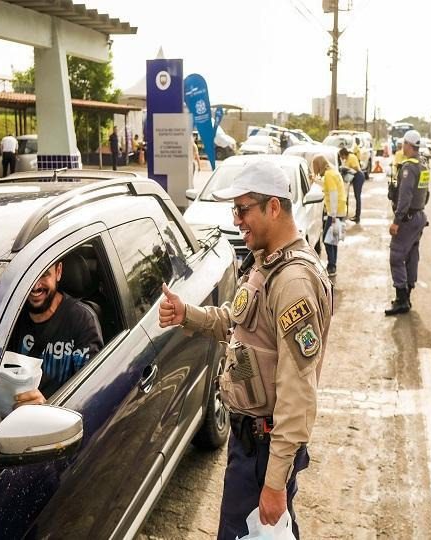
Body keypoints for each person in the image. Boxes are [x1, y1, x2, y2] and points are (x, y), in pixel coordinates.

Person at [157, 159, 333, 540]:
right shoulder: (266, 265)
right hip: (251, 446)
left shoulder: (294, 282)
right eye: (233, 210)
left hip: (264, 451)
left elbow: (299, 394)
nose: (236, 220)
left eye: (242, 209)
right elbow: (239, 324)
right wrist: (187, 314)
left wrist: (273, 484)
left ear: (273, 207)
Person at [7, 260, 104, 405]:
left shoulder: (82, 320)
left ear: (58, 272)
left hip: (58, 420)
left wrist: (47, 407)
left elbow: (90, 396)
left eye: (44, 275)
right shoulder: (9, 317)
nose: (35, 285)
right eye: (29, 276)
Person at [385, 130, 429, 316]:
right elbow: (426, 194)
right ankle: (407, 295)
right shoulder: (423, 164)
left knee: (397, 255)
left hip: (408, 218)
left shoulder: (409, 168)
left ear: (409, 145)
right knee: (411, 255)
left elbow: (404, 197)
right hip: (418, 215)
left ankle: (401, 298)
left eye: (404, 144)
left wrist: (397, 220)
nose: (402, 147)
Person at [312, 154, 347, 276]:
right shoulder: (332, 172)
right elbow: (328, 187)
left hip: (335, 212)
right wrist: (315, 180)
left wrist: (332, 215)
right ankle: (333, 265)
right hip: (340, 210)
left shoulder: (329, 175)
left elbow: (333, 195)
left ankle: (331, 266)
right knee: (333, 240)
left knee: (327, 240)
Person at [338, 147, 365, 223]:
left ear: (344, 154)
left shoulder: (351, 157)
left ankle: (357, 217)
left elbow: (356, 168)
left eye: (341, 156)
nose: (341, 158)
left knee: (357, 197)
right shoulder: (347, 159)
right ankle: (356, 216)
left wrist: (347, 168)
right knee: (356, 196)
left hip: (358, 176)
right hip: (355, 177)